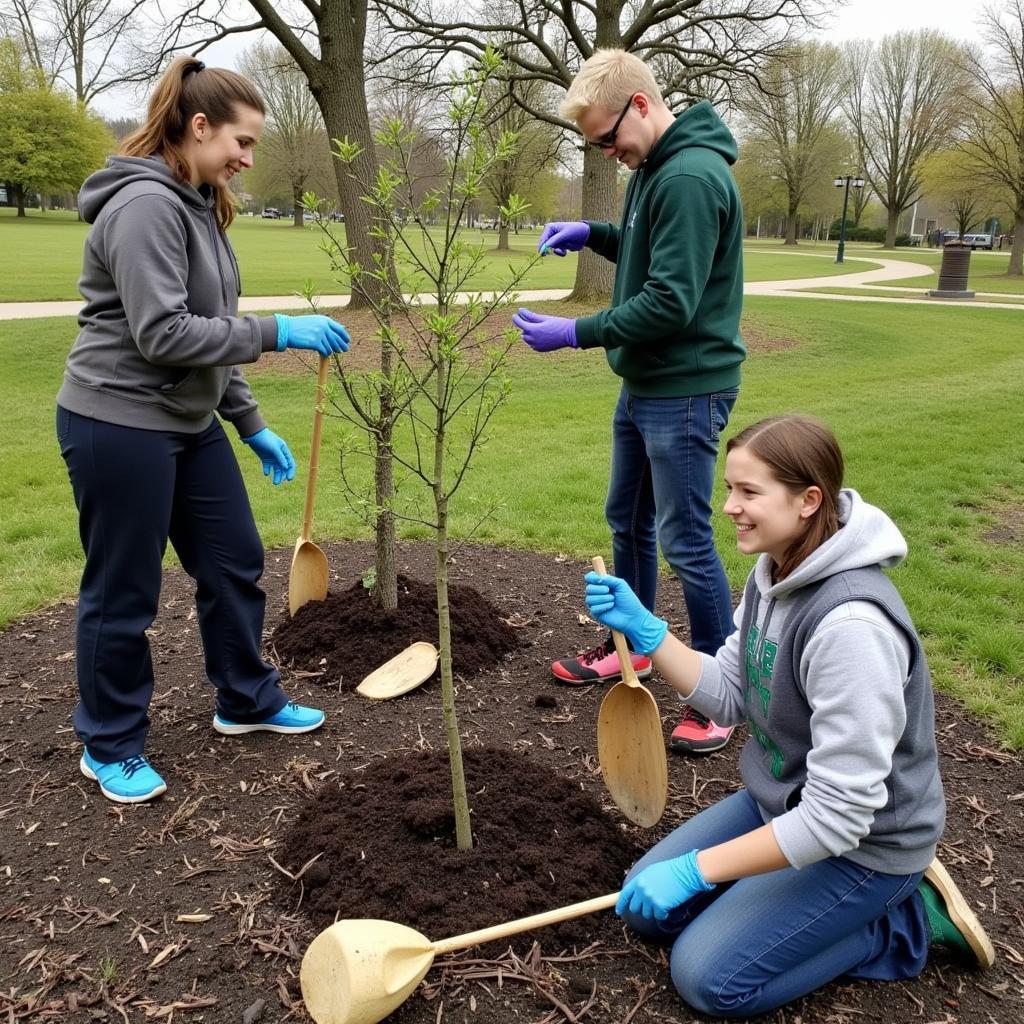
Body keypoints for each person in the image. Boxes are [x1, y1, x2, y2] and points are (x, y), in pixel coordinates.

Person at [582, 414, 994, 1017]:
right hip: (783, 804)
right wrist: (649, 632)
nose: (728, 507)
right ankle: (772, 900)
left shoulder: (852, 628)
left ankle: (905, 925)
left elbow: (838, 818)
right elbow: (727, 694)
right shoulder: (774, 570)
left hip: (864, 846)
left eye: (748, 492)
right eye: (729, 489)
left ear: (808, 500)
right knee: (649, 912)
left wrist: (699, 871)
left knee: (708, 979)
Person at [56, 56, 350, 805]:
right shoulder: (145, 207)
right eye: (240, 143)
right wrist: (279, 328)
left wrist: (249, 424)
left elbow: (211, 332)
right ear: (198, 127)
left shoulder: (199, 202)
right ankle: (110, 742)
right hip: (117, 420)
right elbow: (165, 334)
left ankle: (244, 699)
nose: (248, 159)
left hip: (184, 422)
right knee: (124, 589)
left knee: (232, 560)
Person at [513, 49, 745, 754]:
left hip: (686, 385)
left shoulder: (691, 176)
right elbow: (651, 253)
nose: (607, 153)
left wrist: (576, 332)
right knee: (629, 519)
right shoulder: (654, 170)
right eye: (595, 146)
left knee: (686, 537)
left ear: (640, 105)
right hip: (646, 383)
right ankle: (636, 645)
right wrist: (597, 234)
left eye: (607, 138)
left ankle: (721, 685)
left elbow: (671, 301)